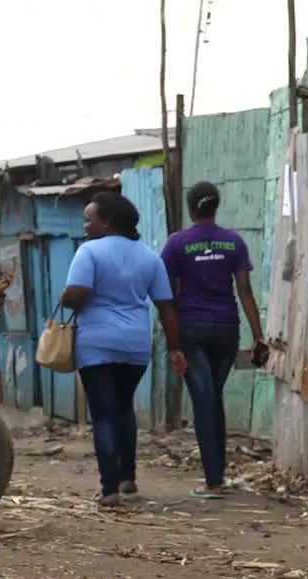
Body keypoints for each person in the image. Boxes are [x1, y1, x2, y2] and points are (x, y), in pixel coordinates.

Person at [60, 191, 185, 507]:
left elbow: (77, 293)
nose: (85, 225)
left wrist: (66, 298)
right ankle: (128, 476)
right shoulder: (149, 257)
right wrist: (175, 348)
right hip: (135, 344)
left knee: (102, 414)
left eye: (90, 219)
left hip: (97, 343)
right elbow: (166, 307)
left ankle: (109, 488)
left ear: (107, 222)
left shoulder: (89, 252)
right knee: (124, 408)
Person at [160, 182, 267, 500]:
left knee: (205, 402)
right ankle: (217, 474)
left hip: (191, 330)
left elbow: (167, 295)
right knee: (213, 398)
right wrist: (258, 335)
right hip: (227, 330)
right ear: (215, 207)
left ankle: (214, 482)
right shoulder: (233, 242)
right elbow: (244, 291)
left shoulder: (177, 244)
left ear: (191, 208)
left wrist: (173, 342)